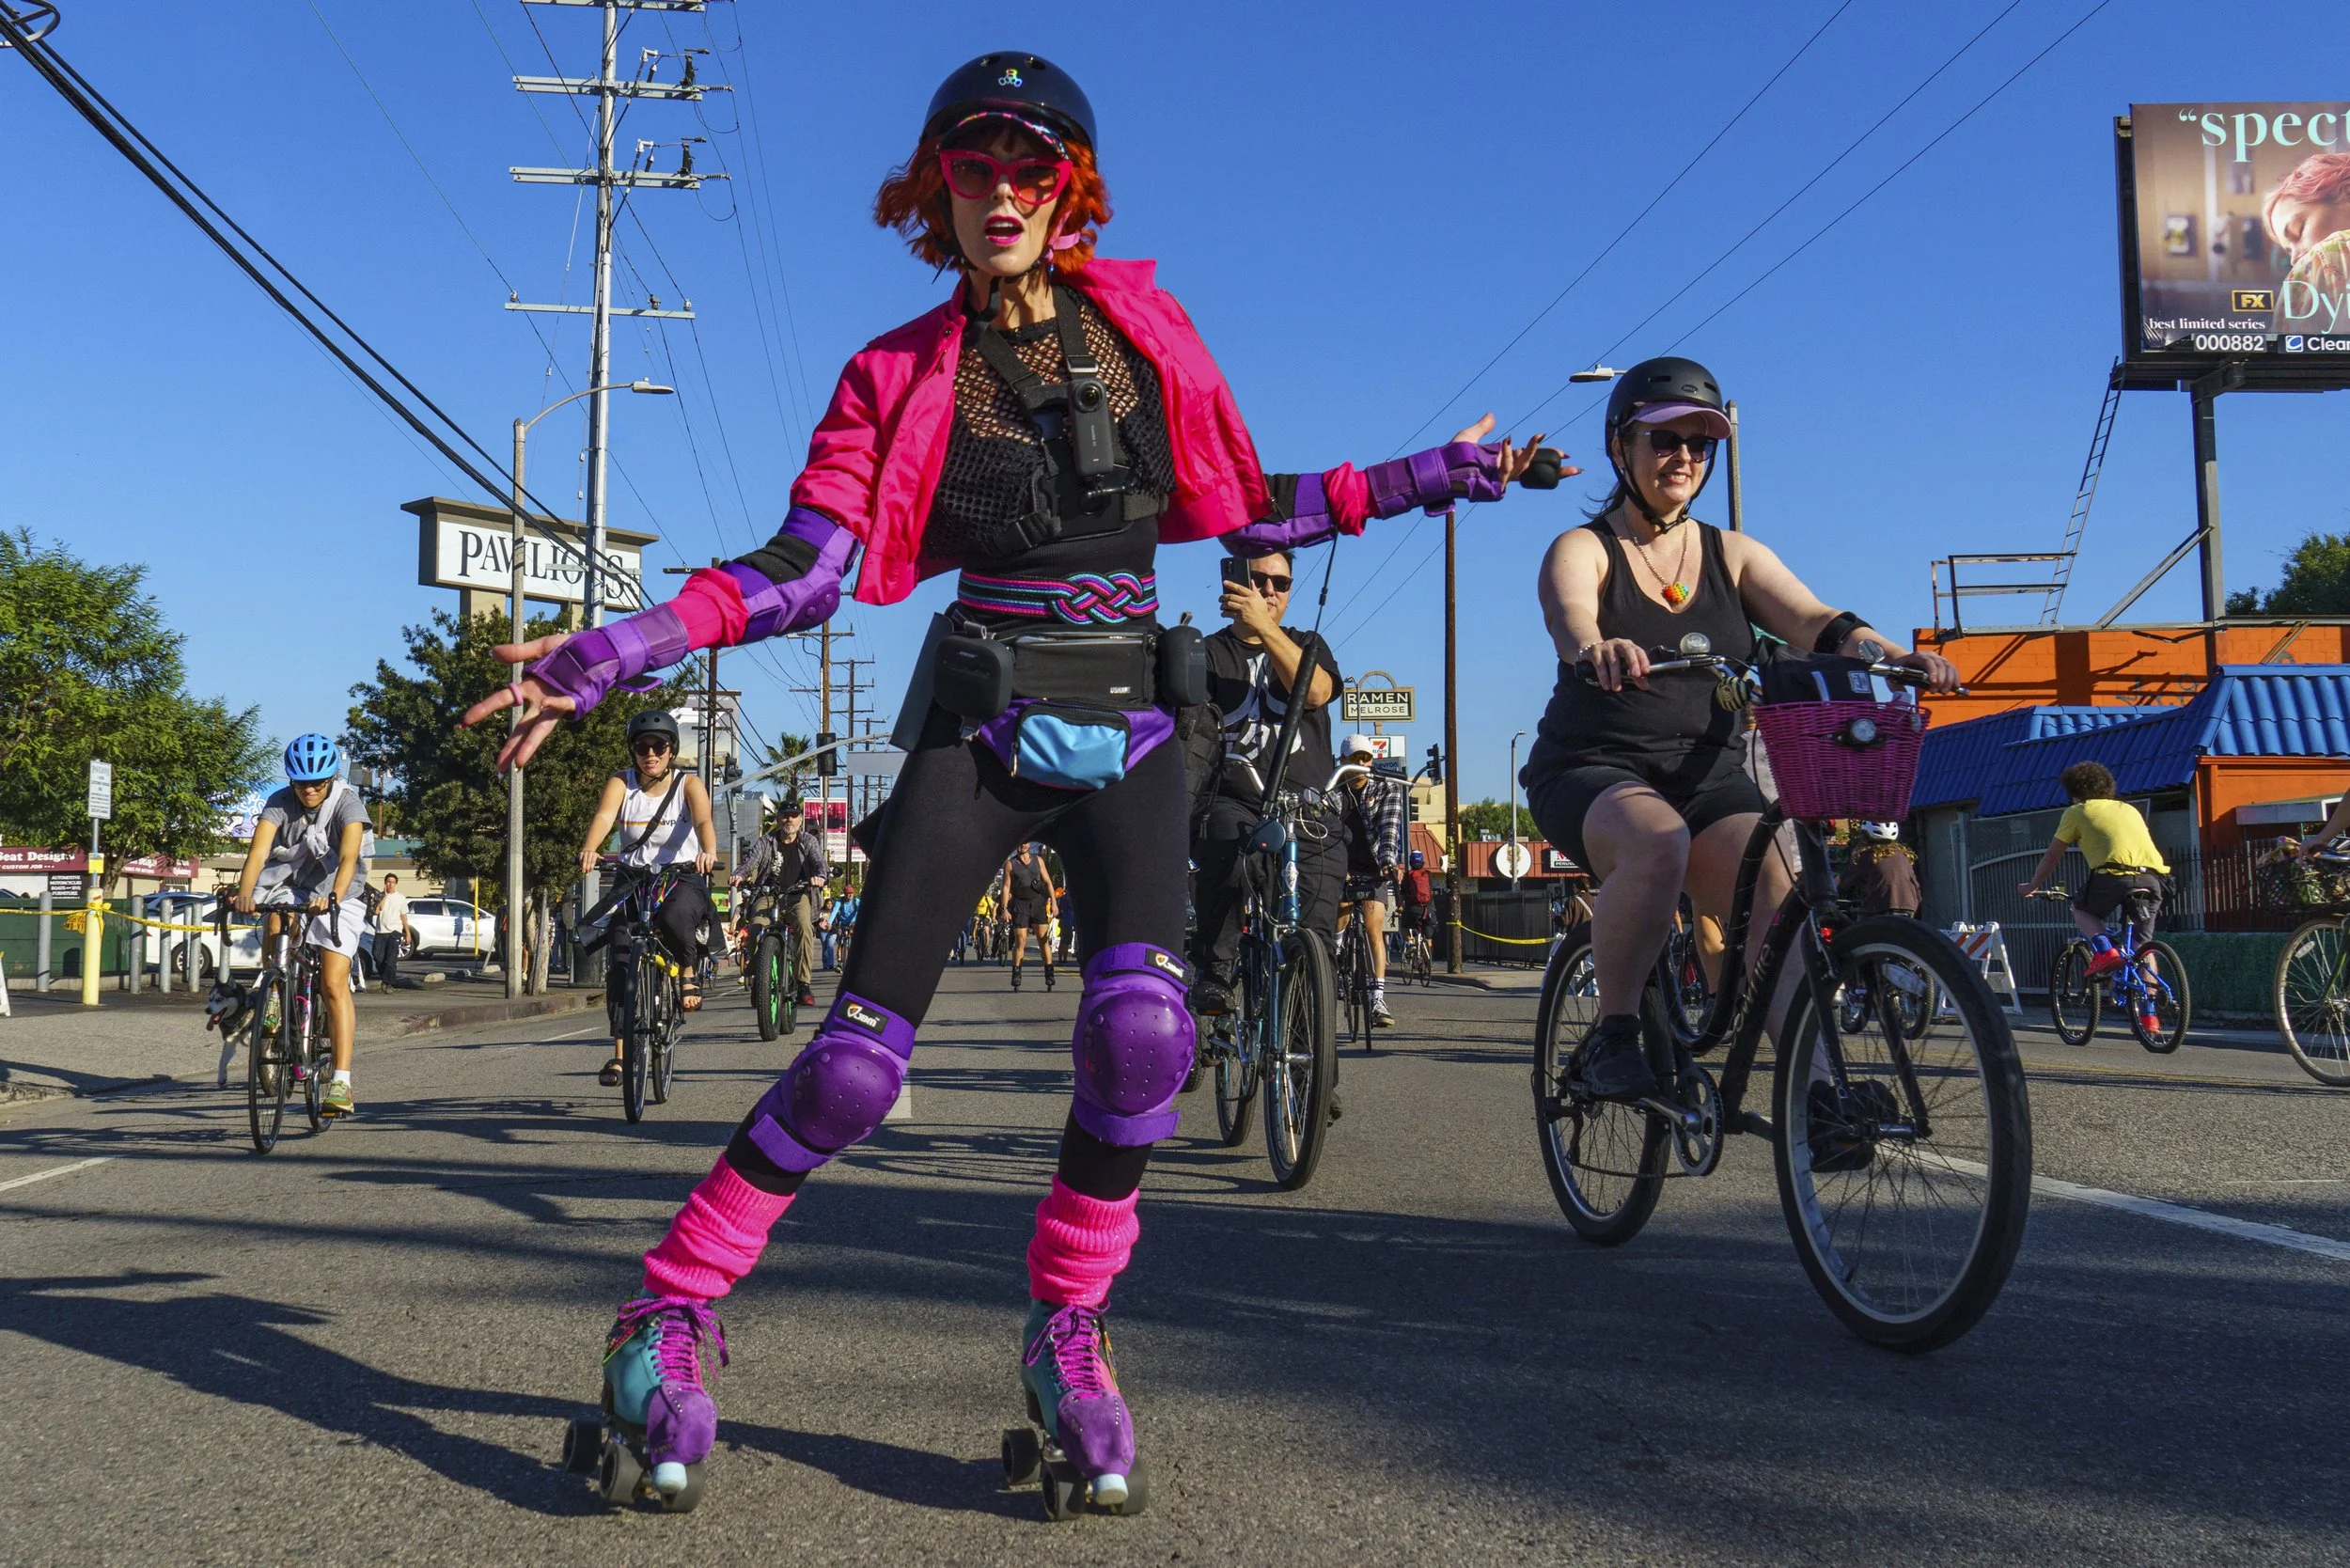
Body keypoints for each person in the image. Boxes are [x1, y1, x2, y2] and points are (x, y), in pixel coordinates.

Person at [462, 50, 1546, 1511]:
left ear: (1070, 190)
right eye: (973, 169)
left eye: (1031, 168)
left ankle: (1070, 1327)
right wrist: (617, 648)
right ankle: (664, 1308)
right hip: (981, 725)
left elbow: (1239, 500)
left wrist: (1421, 478)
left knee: (1145, 1038)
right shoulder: (895, 370)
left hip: (1135, 724)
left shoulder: (1146, 333)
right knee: (854, 1069)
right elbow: (803, 570)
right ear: (940, 194)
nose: (1002, 194)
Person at [1520, 355, 1956, 1111]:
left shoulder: (1733, 553)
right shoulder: (1584, 547)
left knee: (1779, 890)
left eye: (1699, 443)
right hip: (1593, 770)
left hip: (1708, 776)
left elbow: (1814, 620)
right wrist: (1595, 647)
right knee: (1657, 842)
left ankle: (1817, 1099)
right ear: (1621, 446)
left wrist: (1891, 655)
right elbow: (1570, 613)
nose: (1683, 456)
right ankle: (1614, 1037)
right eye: (1664, 439)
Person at [1187, 548, 1347, 1015]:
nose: (1269, 591)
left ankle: (1307, 1044)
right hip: (1234, 799)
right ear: (1235, 582)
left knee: (1315, 933)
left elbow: (1315, 692)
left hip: (1308, 805)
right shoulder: (1208, 654)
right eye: (1258, 580)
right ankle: (1216, 972)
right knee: (1229, 857)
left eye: (1281, 583)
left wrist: (1265, 627)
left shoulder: (1307, 643)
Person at [229, 734, 372, 1117]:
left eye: (317, 783)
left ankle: (341, 1082)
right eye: (300, 783)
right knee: (276, 917)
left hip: (340, 893)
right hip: (291, 886)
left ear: (331, 778)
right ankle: (275, 993)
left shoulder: (348, 803)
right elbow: (258, 852)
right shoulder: (279, 801)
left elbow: (348, 858)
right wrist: (245, 893)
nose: (309, 790)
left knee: (333, 983)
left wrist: (333, 897)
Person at [575, 710, 718, 1086]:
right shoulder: (621, 782)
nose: (650, 754)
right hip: (633, 879)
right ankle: (620, 1056)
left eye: (659, 746)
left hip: (681, 876)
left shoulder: (689, 783)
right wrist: (591, 848)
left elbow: (703, 820)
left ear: (671, 750)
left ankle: (687, 971)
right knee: (621, 959)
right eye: (642, 747)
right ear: (633, 750)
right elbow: (605, 817)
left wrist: (708, 851)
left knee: (675, 917)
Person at [2016, 760, 2170, 1029]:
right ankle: (2149, 1015)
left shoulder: (2076, 812)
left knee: (2081, 910)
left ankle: (2105, 951)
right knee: (2141, 946)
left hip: (2113, 875)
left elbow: (2052, 857)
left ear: (2074, 791)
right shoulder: (2128, 809)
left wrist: (2032, 885)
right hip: (2153, 879)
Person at [1331, 735, 1406, 1027]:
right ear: (1343, 761)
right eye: (1355, 759)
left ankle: (1378, 999)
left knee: (1375, 928)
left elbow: (1390, 828)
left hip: (1374, 867)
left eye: (1366, 758)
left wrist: (1388, 863)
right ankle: (1337, 954)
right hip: (1341, 865)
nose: (1361, 764)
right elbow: (1324, 832)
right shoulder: (1332, 791)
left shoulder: (1386, 788)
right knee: (1341, 914)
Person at [734, 800, 827, 1010]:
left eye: (794, 816)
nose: (789, 820)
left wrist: (820, 876)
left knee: (804, 926)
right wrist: (739, 874)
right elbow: (750, 862)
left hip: (798, 896)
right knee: (755, 929)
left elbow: (819, 862)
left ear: (800, 820)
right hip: (768, 895)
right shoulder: (766, 841)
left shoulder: (808, 841)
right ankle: (760, 977)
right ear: (778, 819)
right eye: (785, 816)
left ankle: (803, 984)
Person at [1001, 842, 1059, 991]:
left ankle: (1049, 973)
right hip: (1020, 904)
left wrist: (1054, 903)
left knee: (1043, 939)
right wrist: (1004, 908)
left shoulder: (1038, 860)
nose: (1023, 845)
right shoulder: (1010, 864)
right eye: (1021, 843)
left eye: (1026, 843)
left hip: (1037, 903)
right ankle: (1016, 974)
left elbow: (1048, 882)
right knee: (1020, 939)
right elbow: (1006, 887)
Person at [1839, 822, 1920, 918]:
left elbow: (1843, 882)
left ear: (1865, 837)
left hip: (1879, 907)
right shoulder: (1903, 856)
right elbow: (1915, 885)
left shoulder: (1866, 856)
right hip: (1909, 907)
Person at [374, 873, 414, 990]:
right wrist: (385, 897)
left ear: (396, 884)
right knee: (377, 956)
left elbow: (404, 917)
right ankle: (384, 977)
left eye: (392, 882)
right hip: (380, 931)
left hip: (394, 931)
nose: (390, 884)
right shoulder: (379, 896)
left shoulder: (400, 898)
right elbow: (377, 911)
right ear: (385, 883)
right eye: (388, 882)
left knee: (391, 959)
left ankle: (388, 983)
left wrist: (407, 933)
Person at [1399, 848, 1434, 957]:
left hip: (1412, 911)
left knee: (1403, 926)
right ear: (1423, 862)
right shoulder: (1428, 874)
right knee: (1428, 937)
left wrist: (1400, 906)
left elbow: (1402, 893)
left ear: (1410, 862)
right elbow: (1431, 891)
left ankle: (1411, 943)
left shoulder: (1408, 875)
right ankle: (1428, 958)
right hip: (1429, 911)